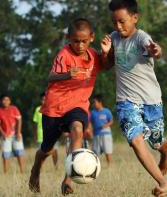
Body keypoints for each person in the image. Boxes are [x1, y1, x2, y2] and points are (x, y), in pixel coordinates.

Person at [28, 18, 112, 195]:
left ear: (91, 38)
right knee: (47, 149)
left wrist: (106, 53)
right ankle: (35, 170)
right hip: (54, 107)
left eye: (84, 41)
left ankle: (68, 179)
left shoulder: (94, 56)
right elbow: (50, 77)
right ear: (68, 38)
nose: (80, 45)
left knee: (78, 130)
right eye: (75, 41)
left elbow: (107, 65)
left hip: (77, 106)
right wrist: (66, 74)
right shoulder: (64, 54)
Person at [106, 0, 167, 196]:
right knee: (135, 140)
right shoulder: (113, 38)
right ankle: (163, 183)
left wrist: (156, 51)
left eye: (122, 21)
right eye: (114, 22)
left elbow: (155, 50)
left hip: (152, 101)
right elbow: (108, 63)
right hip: (126, 101)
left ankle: (166, 154)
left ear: (135, 18)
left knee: (157, 142)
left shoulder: (141, 37)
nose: (118, 26)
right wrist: (106, 52)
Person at [0, 95, 24, 174]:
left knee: (19, 152)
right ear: (1, 101)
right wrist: (3, 134)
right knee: (6, 154)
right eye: (4, 100)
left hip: (15, 134)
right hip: (5, 136)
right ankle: (6, 172)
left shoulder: (14, 109)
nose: (6, 101)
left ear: (10, 101)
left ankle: (22, 171)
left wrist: (18, 132)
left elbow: (19, 120)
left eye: (7, 100)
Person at [33, 92, 58, 169]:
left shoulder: (53, 108)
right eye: (42, 99)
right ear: (40, 100)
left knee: (55, 151)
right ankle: (39, 167)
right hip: (41, 135)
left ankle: (55, 167)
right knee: (42, 152)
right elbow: (35, 123)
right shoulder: (38, 109)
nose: (44, 101)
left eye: (45, 99)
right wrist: (35, 136)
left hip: (52, 134)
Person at [89, 94, 114, 166]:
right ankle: (96, 166)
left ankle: (110, 166)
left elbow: (111, 121)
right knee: (95, 152)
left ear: (100, 102)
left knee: (107, 150)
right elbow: (90, 122)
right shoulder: (93, 112)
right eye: (93, 102)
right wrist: (90, 131)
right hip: (96, 134)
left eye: (95, 102)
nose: (93, 104)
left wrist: (107, 125)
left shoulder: (106, 111)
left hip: (106, 134)